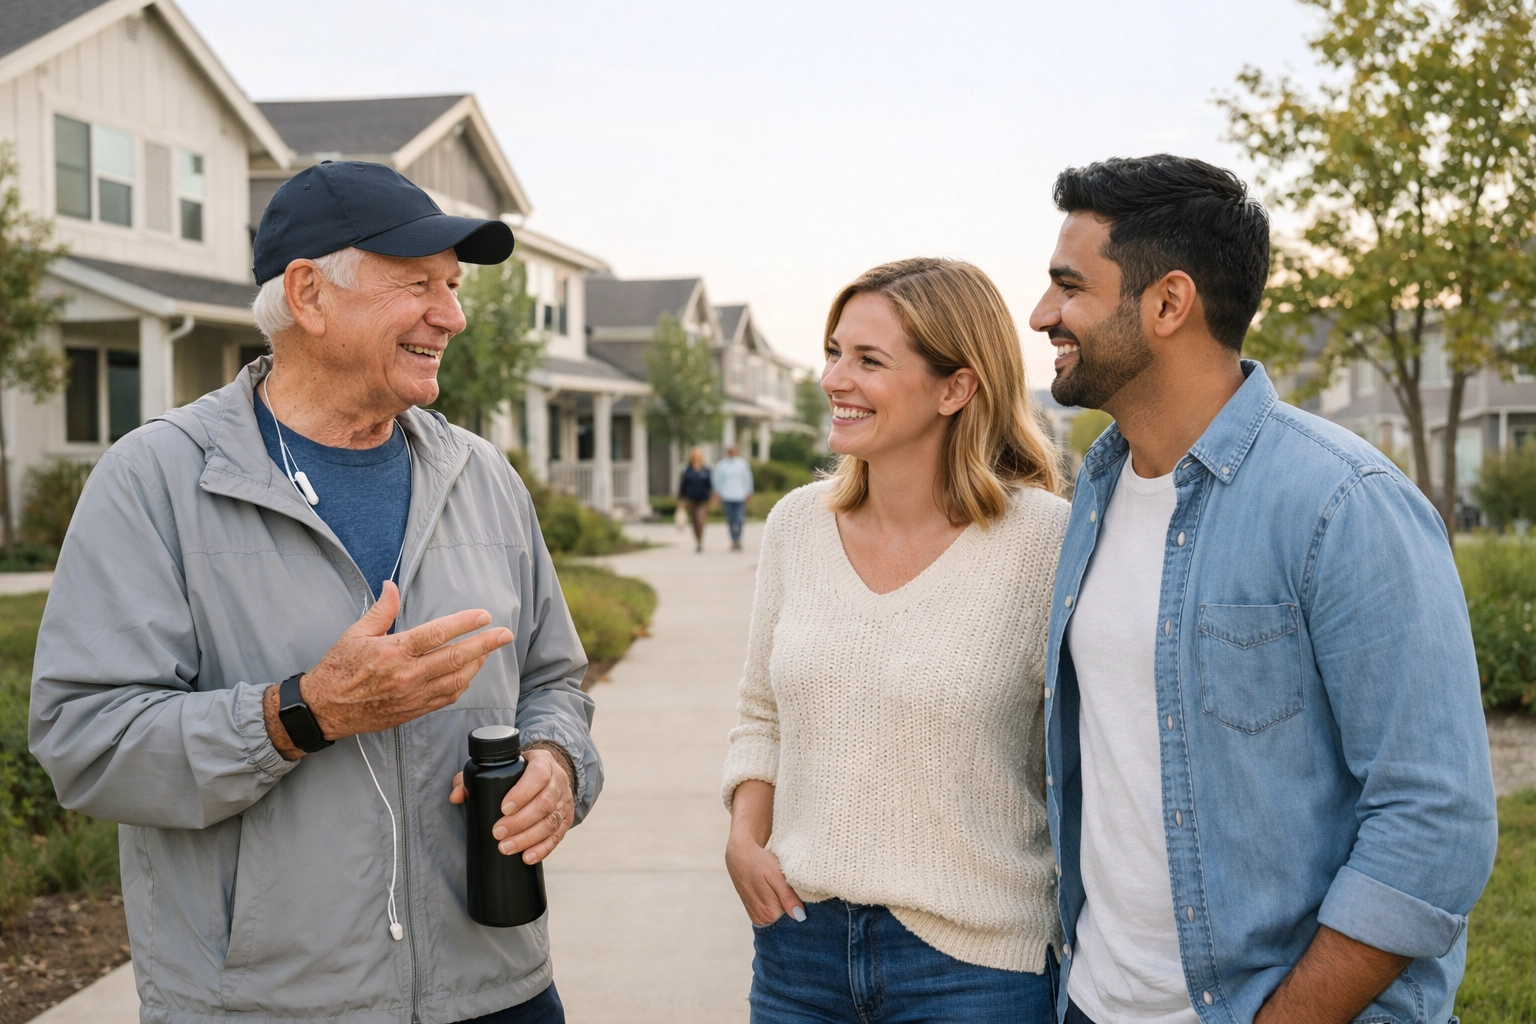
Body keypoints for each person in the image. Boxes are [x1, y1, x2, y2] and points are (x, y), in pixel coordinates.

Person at [29, 162, 602, 1024]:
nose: (452, 315)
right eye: (418, 285)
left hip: (497, 988)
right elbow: (86, 742)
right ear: (308, 294)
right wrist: (303, 713)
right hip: (267, 1003)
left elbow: (554, 682)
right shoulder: (155, 481)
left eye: (452, 287)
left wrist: (557, 764)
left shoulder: (480, 475)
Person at [1028, 154, 1497, 1024]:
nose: (1041, 314)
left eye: (1069, 288)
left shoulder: (1343, 504)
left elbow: (1435, 826)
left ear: (1169, 303)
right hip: (1094, 1005)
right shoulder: (1090, 495)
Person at [723, 258, 1069, 1023]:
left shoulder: (1045, 541)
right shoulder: (796, 526)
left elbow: (1083, 757)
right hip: (796, 951)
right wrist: (746, 838)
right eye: (835, 351)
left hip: (975, 967)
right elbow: (761, 715)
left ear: (956, 387)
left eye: (868, 360)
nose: (834, 378)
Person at [714, 444, 755, 551]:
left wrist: (749, 491)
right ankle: (733, 540)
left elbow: (747, 478)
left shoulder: (742, 464)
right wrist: (717, 492)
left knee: (739, 519)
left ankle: (738, 538)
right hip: (727, 495)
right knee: (731, 520)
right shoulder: (721, 465)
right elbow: (717, 480)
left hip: (740, 495)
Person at [679, 446, 713, 552]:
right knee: (694, 521)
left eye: (698, 455)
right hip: (691, 499)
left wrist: (712, 497)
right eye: (695, 455)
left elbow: (710, 485)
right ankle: (698, 542)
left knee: (701, 520)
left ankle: (700, 539)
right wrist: (681, 499)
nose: (697, 457)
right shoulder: (688, 470)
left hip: (703, 499)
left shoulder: (706, 470)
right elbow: (683, 486)